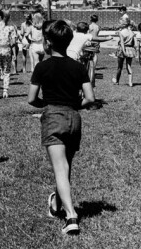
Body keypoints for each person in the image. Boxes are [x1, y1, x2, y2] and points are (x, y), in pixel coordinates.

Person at [27, 20, 96, 235]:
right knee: (65, 168)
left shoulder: (42, 66)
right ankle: (56, 205)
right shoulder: (77, 66)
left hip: (53, 117)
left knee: (60, 169)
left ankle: (71, 216)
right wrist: (75, 105)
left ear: (47, 43)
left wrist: (46, 105)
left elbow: (31, 99)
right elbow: (90, 98)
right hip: (74, 119)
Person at [113, 18, 135, 87]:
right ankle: (130, 82)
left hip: (122, 49)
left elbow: (122, 43)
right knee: (128, 66)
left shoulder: (121, 32)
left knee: (120, 66)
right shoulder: (131, 32)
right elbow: (133, 43)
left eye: (120, 23)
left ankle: (117, 80)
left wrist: (124, 51)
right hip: (130, 49)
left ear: (123, 24)